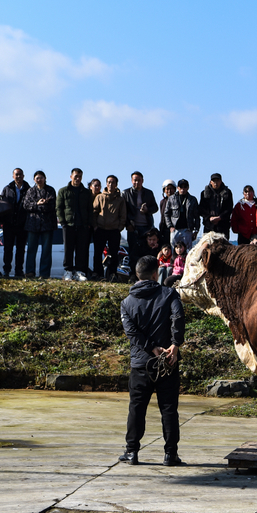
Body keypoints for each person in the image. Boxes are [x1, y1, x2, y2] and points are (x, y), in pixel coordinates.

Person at [119, 255, 186, 467]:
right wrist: (175, 344)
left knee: (137, 408)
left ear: (137, 275)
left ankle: (132, 452)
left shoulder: (126, 303)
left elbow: (132, 333)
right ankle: (170, 454)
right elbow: (179, 317)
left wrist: (150, 348)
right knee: (168, 409)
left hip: (141, 363)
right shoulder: (169, 294)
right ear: (156, 274)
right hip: (167, 361)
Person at [56, 168, 93, 281]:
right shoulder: (63, 191)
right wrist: (63, 222)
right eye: (76, 176)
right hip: (68, 224)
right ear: (71, 176)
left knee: (81, 249)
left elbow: (90, 209)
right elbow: (59, 208)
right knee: (68, 248)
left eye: (80, 177)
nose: (77, 179)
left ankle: (79, 271)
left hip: (82, 224)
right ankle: (68, 271)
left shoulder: (86, 192)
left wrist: (88, 223)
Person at [92, 175, 127, 280]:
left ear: (116, 185)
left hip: (114, 230)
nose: (111, 184)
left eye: (113, 182)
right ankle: (98, 273)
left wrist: (119, 227)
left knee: (114, 254)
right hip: (100, 229)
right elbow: (94, 212)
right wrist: (95, 226)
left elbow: (123, 215)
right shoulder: (100, 197)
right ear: (106, 184)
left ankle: (112, 274)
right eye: (109, 182)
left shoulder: (120, 200)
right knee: (97, 253)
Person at [23, 171, 57, 279]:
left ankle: (44, 273)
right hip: (32, 224)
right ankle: (30, 272)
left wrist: (39, 205)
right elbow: (26, 205)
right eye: (37, 178)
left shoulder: (50, 190)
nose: (39, 180)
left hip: (47, 224)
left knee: (46, 250)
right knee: (31, 249)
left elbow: (51, 205)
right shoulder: (30, 191)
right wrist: (38, 204)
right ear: (34, 179)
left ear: (45, 178)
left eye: (41, 178)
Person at [123, 171, 159, 270]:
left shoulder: (148, 193)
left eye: (139, 180)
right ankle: (133, 275)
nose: (137, 183)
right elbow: (123, 212)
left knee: (146, 253)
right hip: (132, 227)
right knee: (133, 252)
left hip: (146, 227)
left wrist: (147, 210)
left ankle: (146, 274)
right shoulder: (126, 193)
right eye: (135, 180)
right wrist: (127, 225)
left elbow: (155, 208)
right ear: (131, 181)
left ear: (142, 181)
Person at [1, 168, 30, 278]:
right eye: (16, 175)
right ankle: (6, 270)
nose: (18, 177)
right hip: (9, 223)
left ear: (23, 176)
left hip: (22, 224)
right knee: (8, 248)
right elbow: (2, 204)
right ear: (13, 176)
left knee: (21, 249)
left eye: (20, 175)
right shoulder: (7, 189)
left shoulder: (28, 189)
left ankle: (19, 270)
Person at [165, 179, 200, 250]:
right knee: (174, 250)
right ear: (178, 188)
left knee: (187, 251)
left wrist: (196, 230)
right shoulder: (171, 198)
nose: (183, 189)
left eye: (185, 187)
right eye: (181, 187)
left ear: (188, 188)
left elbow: (197, 216)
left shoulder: (192, 199)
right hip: (175, 229)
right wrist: (170, 226)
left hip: (187, 229)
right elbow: (166, 213)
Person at [198, 173, 233, 239]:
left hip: (223, 226)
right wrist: (209, 217)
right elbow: (201, 209)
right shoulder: (204, 193)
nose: (215, 183)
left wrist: (220, 217)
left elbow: (229, 208)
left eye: (217, 180)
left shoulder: (227, 193)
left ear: (221, 181)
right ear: (211, 182)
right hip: (209, 226)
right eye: (214, 181)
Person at [158, 180, 176, 246]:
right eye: (167, 189)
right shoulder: (162, 202)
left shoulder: (177, 201)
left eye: (171, 188)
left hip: (174, 229)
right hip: (164, 229)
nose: (169, 191)